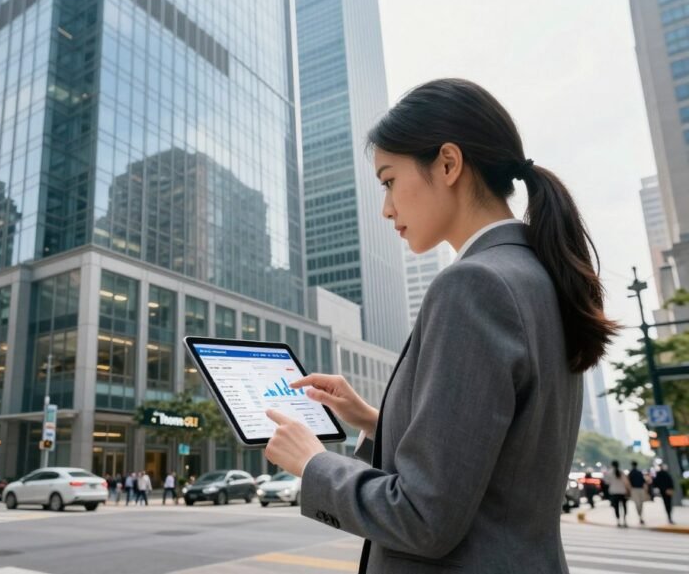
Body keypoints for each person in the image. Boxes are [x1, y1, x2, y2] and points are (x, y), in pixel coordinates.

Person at [262, 78, 618, 572]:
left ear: (448, 163)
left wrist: (312, 463)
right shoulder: (539, 276)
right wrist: (372, 417)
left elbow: (423, 518)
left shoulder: (473, 286)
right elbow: (495, 453)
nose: (386, 207)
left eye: (388, 181)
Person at [604, 461, 632, 528]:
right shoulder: (622, 472)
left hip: (614, 492)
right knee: (624, 507)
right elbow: (626, 483)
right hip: (622, 492)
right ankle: (625, 521)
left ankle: (618, 521)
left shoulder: (609, 473)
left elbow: (607, 483)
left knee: (616, 507)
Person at [627, 461, 649, 526]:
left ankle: (640, 516)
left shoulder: (631, 473)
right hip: (640, 489)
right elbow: (644, 482)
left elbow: (629, 483)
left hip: (634, 490)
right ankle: (640, 516)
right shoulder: (639, 472)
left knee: (638, 504)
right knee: (640, 504)